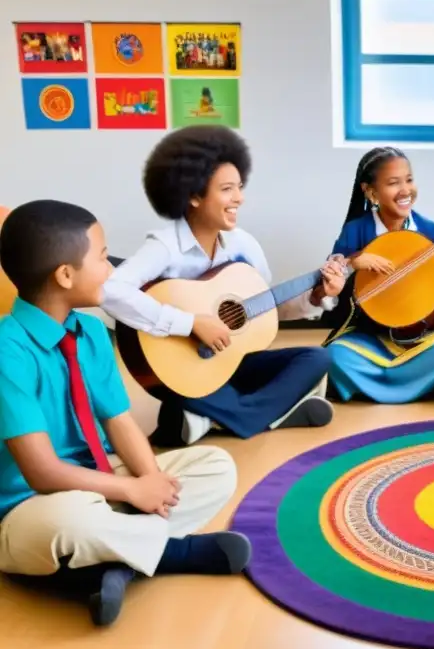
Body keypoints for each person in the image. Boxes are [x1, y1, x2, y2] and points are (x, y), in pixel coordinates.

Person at [0, 200, 248, 627]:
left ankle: (112, 564)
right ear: (65, 275)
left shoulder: (93, 332)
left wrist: (151, 482)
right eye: (101, 256)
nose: (111, 269)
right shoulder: (7, 348)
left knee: (216, 466)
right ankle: (172, 552)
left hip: (99, 478)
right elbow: (41, 473)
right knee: (70, 522)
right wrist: (132, 494)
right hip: (30, 505)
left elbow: (119, 422)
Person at [102, 126, 347, 447]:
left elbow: (265, 306)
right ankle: (266, 414)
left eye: (240, 187)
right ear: (193, 195)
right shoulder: (164, 246)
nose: (239, 198)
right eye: (227, 189)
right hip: (183, 372)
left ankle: (218, 417)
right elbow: (110, 291)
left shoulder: (243, 244)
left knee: (318, 358)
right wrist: (191, 324)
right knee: (181, 392)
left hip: (234, 360)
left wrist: (319, 294)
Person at [323, 146, 434, 402]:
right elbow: (330, 290)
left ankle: (376, 385)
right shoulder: (356, 230)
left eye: (409, 180)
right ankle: (416, 383)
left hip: (421, 337)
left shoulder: (433, 231)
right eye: (394, 183)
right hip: (368, 337)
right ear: (371, 192)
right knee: (334, 355)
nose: (405, 190)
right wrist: (353, 262)